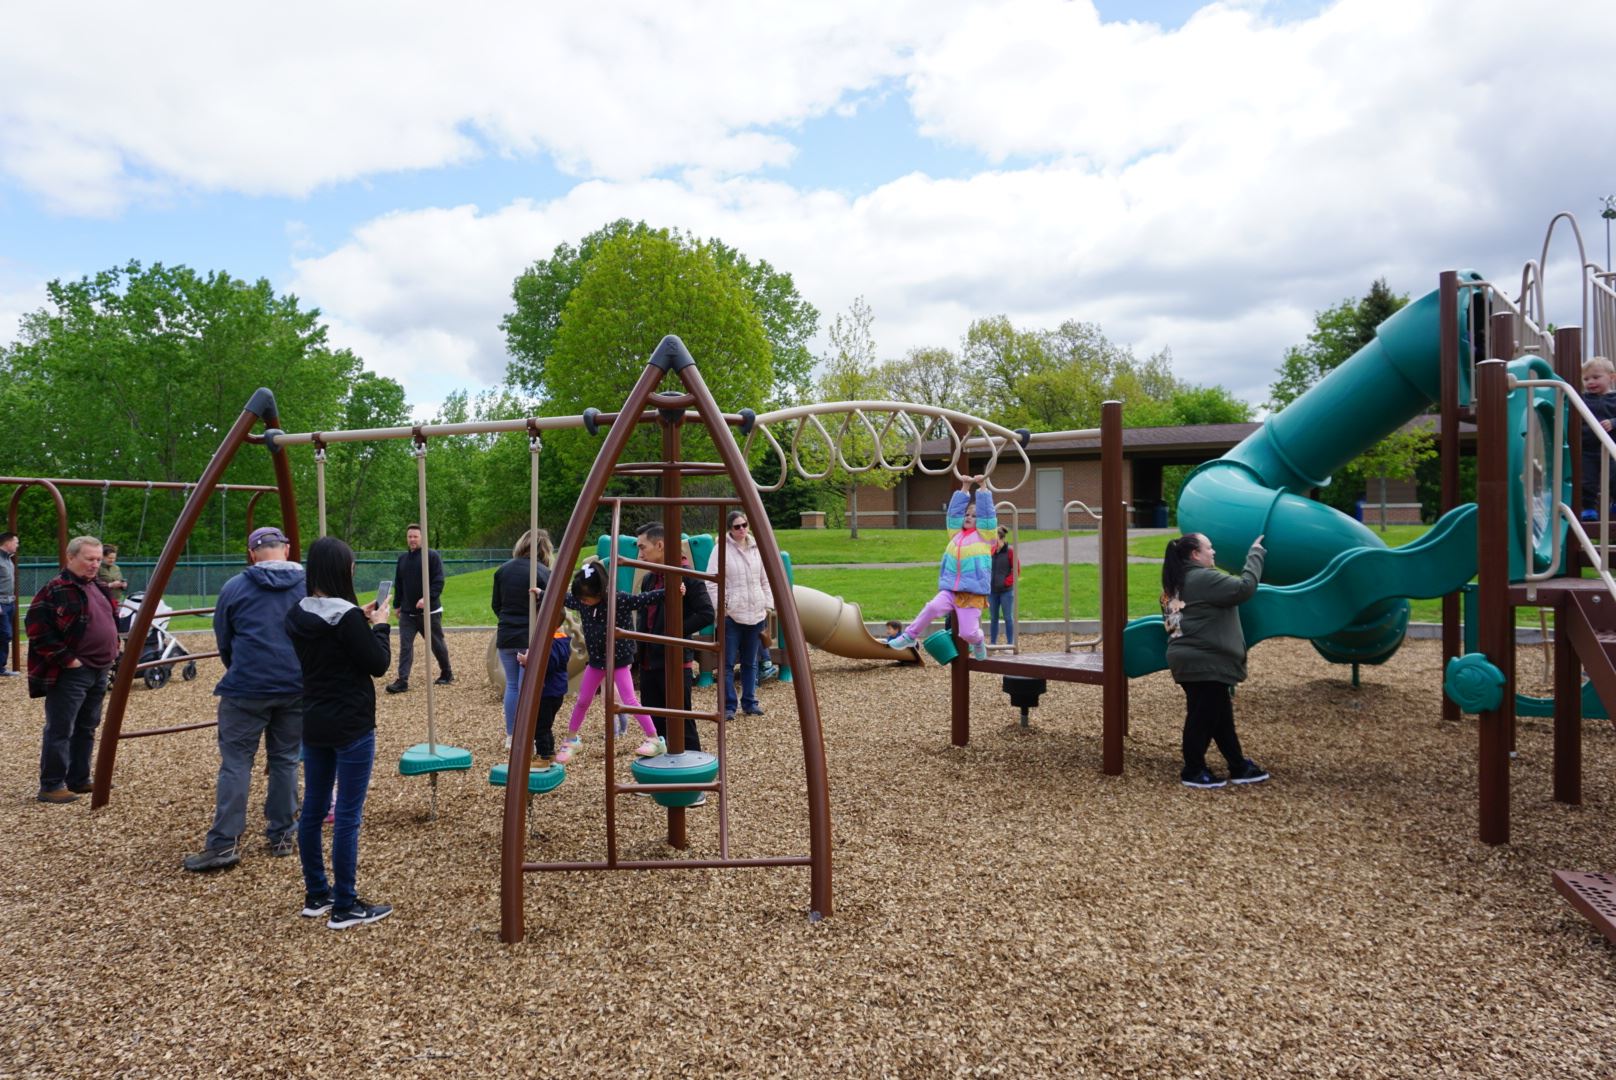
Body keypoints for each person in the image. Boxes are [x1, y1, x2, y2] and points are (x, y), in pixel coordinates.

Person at [183, 526, 307, 872]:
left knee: (237, 763)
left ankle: (224, 843)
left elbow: (224, 637)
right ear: (285, 549)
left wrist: (240, 667)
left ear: (253, 553)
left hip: (247, 687)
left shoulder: (235, 587)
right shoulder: (306, 585)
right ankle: (283, 832)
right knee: (284, 760)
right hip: (295, 684)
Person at [285, 536, 394, 930]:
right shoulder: (346, 617)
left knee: (314, 808)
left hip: (314, 720)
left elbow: (333, 642)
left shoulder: (298, 612)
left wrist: (359, 621)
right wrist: (380, 627)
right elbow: (378, 664)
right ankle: (346, 905)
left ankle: (317, 893)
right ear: (340, 570)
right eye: (350, 567)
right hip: (352, 722)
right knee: (348, 813)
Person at [1160, 532, 1269, 789]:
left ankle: (1239, 765)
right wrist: (1255, 554)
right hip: (1205, 659)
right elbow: (1244, 588)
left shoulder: (1175, 583)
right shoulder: (1202, 577)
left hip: (1189, 658)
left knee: (1219, 716)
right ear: (1195, 554)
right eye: (1209, 548)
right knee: (1203, 717)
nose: (1214, 552)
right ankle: (1193, 769)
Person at [26, 535, 120, 803]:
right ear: (71, 557)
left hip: (100, 668)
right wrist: (68, 660)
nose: (94, 564)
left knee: (87, 726)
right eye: (89, 559)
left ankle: (79, 779)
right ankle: (52, 784)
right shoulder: (55, 589)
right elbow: (37, 629)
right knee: (61, 728)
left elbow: (110, 619)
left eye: (98, 559)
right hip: (72, 672)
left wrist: (115, 643)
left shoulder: (99, 587)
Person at [558, 561, 665, 763]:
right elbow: (565, 599)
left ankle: (654, 738)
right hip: (597, 661)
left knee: (629, 699)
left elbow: (643, 599)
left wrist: (671, 591)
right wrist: (541, 592)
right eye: (581, 598)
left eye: (586, 598)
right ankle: (571, 740)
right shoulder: (582, 601)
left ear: (600, 592)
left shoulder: (618, 600)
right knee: (582, 700)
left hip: (618, 659)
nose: (583, 602)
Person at [637, 522, 714, 785]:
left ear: (660, 545)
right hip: (649, 662)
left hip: (674, 661)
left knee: (682, 722)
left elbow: (706, 613)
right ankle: (662, 778)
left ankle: (695, 781)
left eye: (642, 547)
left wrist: (674, 632)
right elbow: (644, 618)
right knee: (655, 725)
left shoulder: (686, 576)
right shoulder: (649, 579)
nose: (640, 554)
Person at [885, 476, 994, 660]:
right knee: (932, 607)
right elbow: (953, 514)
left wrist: (982, 487)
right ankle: (910, 636)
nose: (969, 517)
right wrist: (965, 488)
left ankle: (978, 641)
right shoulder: (956, 535)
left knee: (968, 633)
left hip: (972, 593)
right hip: (951, 588)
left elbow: (988, 515)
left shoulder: (985, 537)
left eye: (974, 516)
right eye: (967, 514)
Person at [704, 510, 773, 720]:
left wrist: (767, 604)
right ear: (729, 529)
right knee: (726, 663)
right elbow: (711, 581)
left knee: (750, 661)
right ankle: (728, 706)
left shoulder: (756, 549)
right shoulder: (720, 550)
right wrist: (722, 607)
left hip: (756, 612)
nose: (742, 529)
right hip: (732, 615)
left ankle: (750, 702)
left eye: (744, 525)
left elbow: (764, 578)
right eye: (737, 526)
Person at [492, 529, 553, 751]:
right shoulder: (544, 572)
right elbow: (551, 608)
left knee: (513, 686)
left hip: (506, 634)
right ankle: (530, 736)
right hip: (530, 635)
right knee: (529, 687)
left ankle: (511, 734)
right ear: (544, 548)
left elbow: (496, 605)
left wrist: (508, 621)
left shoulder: (502, 571)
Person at [386, 523, 452, 693]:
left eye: (415, 536)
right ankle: (402, 680)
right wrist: (397, 605)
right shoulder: (402, 559)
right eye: (410, 536)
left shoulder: (432, 556)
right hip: (408, 613)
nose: (412, 539)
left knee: (436, 644)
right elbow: (399, 584)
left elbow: (439, 581)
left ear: (422, 537)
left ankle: (446, 672)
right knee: (405, 645)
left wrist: (427, 598)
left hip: (429, 612)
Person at [1579, 356, 1616, 520]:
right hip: (1588, 448)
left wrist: (1614, 422)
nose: (1590, 382)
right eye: (1586, 379)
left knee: (1614, 477)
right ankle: (1588, 508)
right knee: (1587, 480)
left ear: (1612, 378)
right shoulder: (1582, 399)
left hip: (1612, 448)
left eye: (1596, 377)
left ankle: (1615, 502)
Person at [988, 525, 1018, 646]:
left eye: (995, 540)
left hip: (1006, 591)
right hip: (992, 591)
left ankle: (1010, 643)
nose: (993, 543)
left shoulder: (1010, 552)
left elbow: (1016, 569)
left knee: (1008, 617)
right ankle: (993, 643)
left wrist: (1007, 582)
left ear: (1002, 539)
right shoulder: (991, 552)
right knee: (993, 618)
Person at [0, 531, 19, 677]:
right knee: (5, 634)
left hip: (9, 603)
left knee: (5, 634)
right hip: (1, 603)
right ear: (7, 543)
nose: (17, 545)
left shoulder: (8, 560)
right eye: (16, 542)